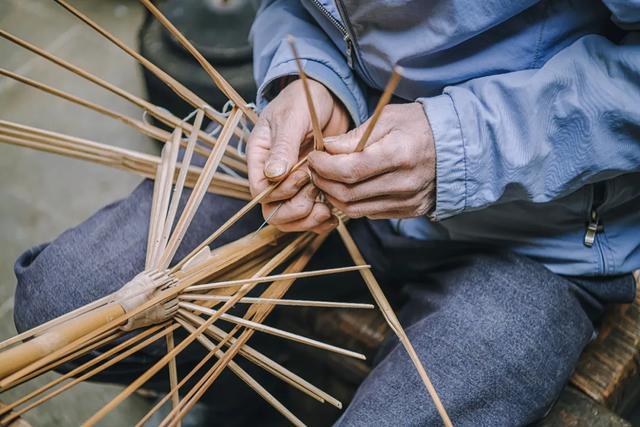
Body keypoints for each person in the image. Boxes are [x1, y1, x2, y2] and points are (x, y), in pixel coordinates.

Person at [12, 1, 640, 426]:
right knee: (60, 304)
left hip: (540, 231)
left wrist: (459, 145)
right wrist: (307, 81)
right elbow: (298, 7)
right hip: (324, 169)